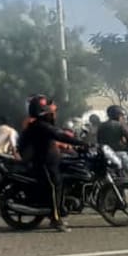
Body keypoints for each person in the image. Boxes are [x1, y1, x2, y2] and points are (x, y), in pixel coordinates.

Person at [19, 94, 85, 232]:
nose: (53, 114)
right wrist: (83, 143)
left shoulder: (41, 125)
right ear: (43, 112)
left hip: (50, 162)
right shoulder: (41, 126)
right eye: (50, 111)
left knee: (61, 183)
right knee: (54, 188)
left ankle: (60, 211)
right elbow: (60, 135)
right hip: (44, 163)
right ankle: (56, 220)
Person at [97, 105, 128, 188]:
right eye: (121, 115)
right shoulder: (120, 125)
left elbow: (99, 141)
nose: (122, 117)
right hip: (120, 153)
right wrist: (126, 148)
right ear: (118, 115)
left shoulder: (102, 126)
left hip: (107, 155)